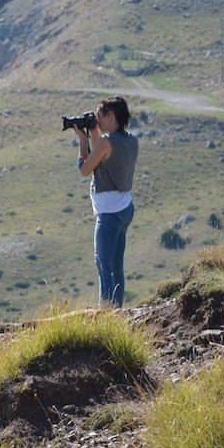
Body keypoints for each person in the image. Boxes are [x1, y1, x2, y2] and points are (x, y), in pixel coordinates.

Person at [75, 96, 139, 308]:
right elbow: (105, 159)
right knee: (116, 265)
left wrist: (83, 141)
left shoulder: (105, 142)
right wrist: (95, 134)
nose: (97, 120)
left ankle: (107, 313)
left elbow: (85, 170)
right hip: (125, 208)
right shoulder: (131, 140)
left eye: (99, 116)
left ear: (110, 116)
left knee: (103, 264)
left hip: (109, 214)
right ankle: (117, 311)